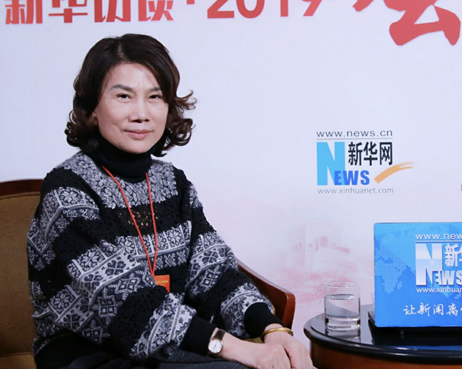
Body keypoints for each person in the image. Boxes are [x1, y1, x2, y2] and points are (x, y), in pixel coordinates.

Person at [27, 34, 312, 369]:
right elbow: (122, 299)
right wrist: (233, 347)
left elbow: (213, 271)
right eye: (123, 96)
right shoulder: (67, 188)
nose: (141, 113)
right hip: (87, 355)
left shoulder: (172, 183)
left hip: (163, 350)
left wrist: (270, 328)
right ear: (91, 110)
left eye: (155, 97)